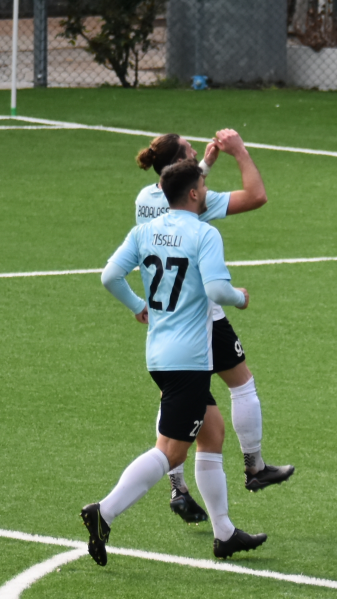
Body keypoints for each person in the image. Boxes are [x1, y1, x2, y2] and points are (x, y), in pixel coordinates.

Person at [84, 159, 267, 565]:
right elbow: (218, 290)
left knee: (213, 431)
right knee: (171, 452)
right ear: (195, 192)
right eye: (204, 182)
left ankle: (224, 533)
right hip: (189, 360)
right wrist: (240, 295)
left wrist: (138, 306)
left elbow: (109, 275)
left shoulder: (144, 230)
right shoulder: (204, 233)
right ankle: (104, 512)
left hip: (160, 354)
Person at [133, 129, 293, 525]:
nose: (196, 158)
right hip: (201, 317)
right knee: (241, 383)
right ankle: (254, 466)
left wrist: (204, 165)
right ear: (188, 182)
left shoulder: (146, 200)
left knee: (177, 403)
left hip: (163, 321)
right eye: (190, 153)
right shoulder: (199, 209)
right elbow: (256, 196)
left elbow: (178, 186)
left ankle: (177, 486)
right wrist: (239, 152)